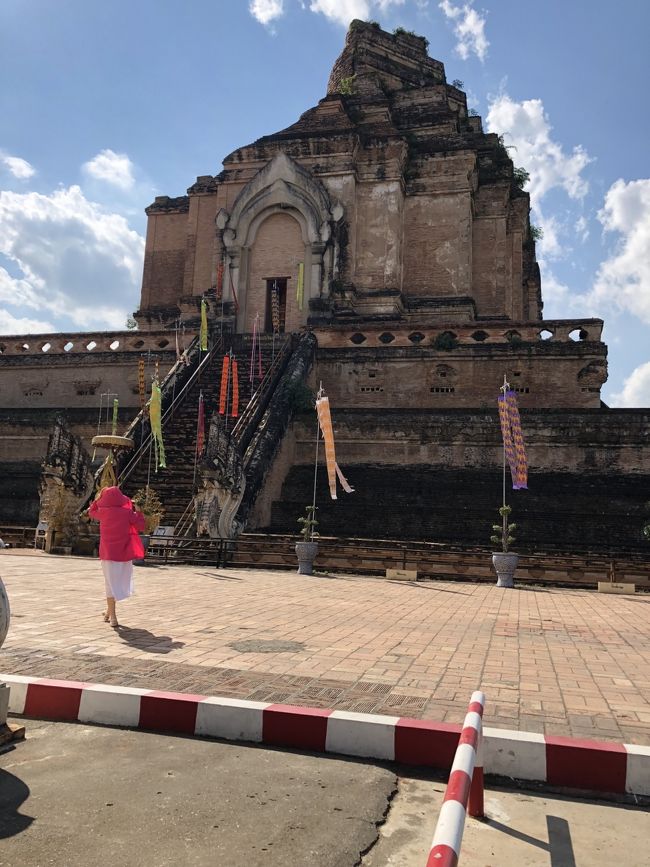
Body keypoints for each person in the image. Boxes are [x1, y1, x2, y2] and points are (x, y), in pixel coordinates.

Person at [88, 486, 145, 628]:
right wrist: (137, 511)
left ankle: (112, 616)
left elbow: (91, 511)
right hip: (124, 553)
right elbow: (141, 525)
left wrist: (97, 500)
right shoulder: (127, 513)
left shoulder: (103, 512)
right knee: (117, 582)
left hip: (107, 553)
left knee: (110, 583)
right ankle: (109, 613)